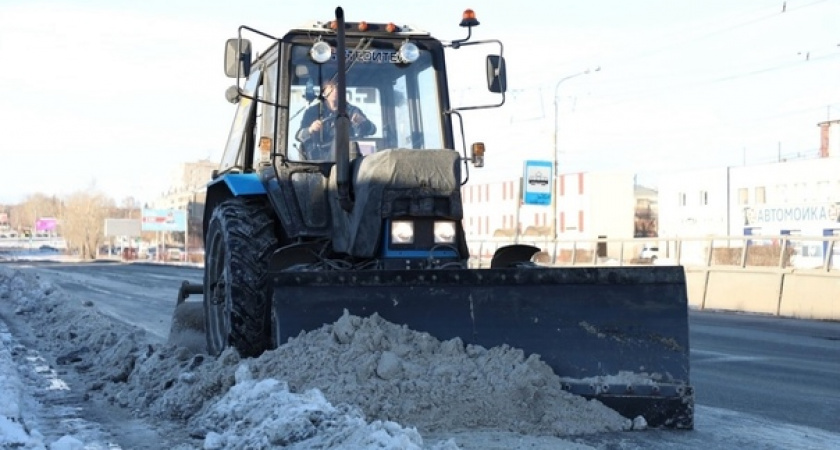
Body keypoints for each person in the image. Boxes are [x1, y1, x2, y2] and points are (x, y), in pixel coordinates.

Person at [296, 79, 376, 160]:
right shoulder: (312, 112)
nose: (335, 90)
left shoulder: (352, 111)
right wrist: (310, 129)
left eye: (337, 87)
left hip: (345, 161)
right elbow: (299, 136)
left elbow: (372, 130)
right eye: (331, 87)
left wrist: (363, 121)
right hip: (317, 162)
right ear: (324, 91)